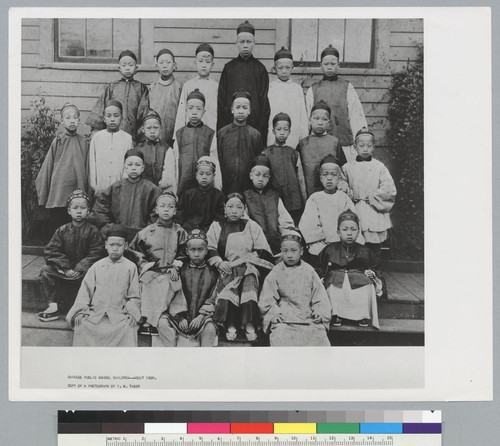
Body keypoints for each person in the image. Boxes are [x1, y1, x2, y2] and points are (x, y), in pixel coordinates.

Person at [206, 193, 273, 342]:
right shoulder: (217, 225)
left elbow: (263, 249)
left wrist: (249, 259)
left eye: (238, 207)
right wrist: (219, 262)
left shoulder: (252, 226)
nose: (234, 210)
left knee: (249, 280)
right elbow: (210, 247)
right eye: (230, 206)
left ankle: (249, 323)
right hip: (226, 267)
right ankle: (230, 323)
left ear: (245, 209)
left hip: (249, 266)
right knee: (229, 282)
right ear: (225, 208)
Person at [66, 223, 142, 347]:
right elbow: (85, 292)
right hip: (96, 314)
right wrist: (80, 311)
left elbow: (134, 295)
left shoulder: (130, 267)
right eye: (111, 244)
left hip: (119, 315)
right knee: (82, 326)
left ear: (126, 246)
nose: (115, 248)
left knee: (128, 328)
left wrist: (132, 313)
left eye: (119, 245)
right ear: (106, 245)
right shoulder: (97, 266)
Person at [37, 189, 105, 322]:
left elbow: (97, 252)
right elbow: (52, 251)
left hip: (85, 272)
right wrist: (66, 268)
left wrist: (80, 267)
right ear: (69, 211)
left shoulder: (93, 231)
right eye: (75, 208)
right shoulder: (62, 231)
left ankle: (87, 307)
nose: (79, 211)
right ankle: (53, 306)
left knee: (99, 273)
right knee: (46, 271)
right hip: (66, 271)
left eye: (83, 208)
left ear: (88, 211)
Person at [128, 191, 188, 338]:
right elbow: (134, 251)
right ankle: (148, 321)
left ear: (175, 211)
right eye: (162, 206)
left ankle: (151, 322)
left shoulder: (179, 231)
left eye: (170, 207)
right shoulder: (146, 232)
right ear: (156, 210)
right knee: (147, 283)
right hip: (152, 270)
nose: (166, 209)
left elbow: (184, 251)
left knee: (165, 282)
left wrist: (176, 266)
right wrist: (145, 264)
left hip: (170, 271)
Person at [259, 230, 332, 346]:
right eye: (285, 251)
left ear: (301, 251)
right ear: (281, 252)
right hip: (285, 318)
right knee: (280, 334)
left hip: (308, 318)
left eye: (294, 250)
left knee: (318, 336)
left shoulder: (309, 271)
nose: (289, 255)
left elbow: (320, 297)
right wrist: (273, 314)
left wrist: (319, 313)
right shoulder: (276, 272)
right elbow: (267, 298)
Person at [343, 128, 397, 267]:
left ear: (374, 147)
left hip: (374, 211)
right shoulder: (348, 167)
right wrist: (349, 193)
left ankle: (375, 274)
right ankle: (357, 273)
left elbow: (389, 188)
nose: (365, 149)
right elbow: (341, 184)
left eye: (369, 146)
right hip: (355, 210)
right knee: (355, 243)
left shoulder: (379, 167)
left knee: (373, 247)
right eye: (361, 146)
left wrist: (372, 197)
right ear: (355, 147)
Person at [156, 229, 219, 347]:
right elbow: (175, 296)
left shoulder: (213, 273)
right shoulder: (180, 271)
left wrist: (201, 316)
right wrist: (180, 318)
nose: (196, 254)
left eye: (200, 250)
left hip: (202, 318)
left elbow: (214, 297)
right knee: (162, 323)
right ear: (187, 251)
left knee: (210, 328)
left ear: (206, 251)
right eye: (192, 250)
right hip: (182, 316)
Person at [319, 210, 382, 329]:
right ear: (338, 232)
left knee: (367, 283)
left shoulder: (365, 250)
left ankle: (363, 315)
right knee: (333, 283)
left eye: (353, 229)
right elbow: (319, 266)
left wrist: (371, 272)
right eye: (345, 229)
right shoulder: (330, 249)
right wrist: (323, 276)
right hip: (336, 278)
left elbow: (375, 267)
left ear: (358, 232)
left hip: (358, 279)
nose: (349, 233)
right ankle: (335, 314)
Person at [305, 45, 368, 162]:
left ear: (338, 65)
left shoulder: (347, 87)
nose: (329, 67)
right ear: (321, 66)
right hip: (320, 143)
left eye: (333, 64)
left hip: (344, 143)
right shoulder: (313, 89)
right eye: (326, 64)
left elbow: (356, 116)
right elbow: (307, 118)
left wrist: (360, 141)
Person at [35, 103, 90, 232]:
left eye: (75, 118)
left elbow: (88, 167)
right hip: (59, 192)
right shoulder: (58, 141)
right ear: (62, 120)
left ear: (79, 120)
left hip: (78, 189)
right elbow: (47, 168)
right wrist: (44, 195)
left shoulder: (84, 142)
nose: (72, 120)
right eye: (68, 118)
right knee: (59, 228)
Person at [89, 148, 162, 241]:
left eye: (138, 165)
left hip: (142, 237)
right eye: (130, 164)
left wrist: (146, 232)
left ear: (143, 167)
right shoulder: (115, 187)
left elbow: (157, 213)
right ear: (125, 167)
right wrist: (111, 228)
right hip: (117, 236)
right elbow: (99, 210)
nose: (134, 168)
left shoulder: (152, 189)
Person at [217, 20, 270, 141]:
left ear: (254, 43)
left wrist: (259, 132)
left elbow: (263, 104)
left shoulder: (260, 69)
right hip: (230, 128)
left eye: (248, 42)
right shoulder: (229, 68)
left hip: (254, 129)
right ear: (236, 43)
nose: (245, 45)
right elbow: (221, 102)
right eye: (242, 42)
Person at [299, 155, 361, 257]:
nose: (329, 178)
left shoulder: (344, 198)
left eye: (333, 175)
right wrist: (322, 244)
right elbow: (309, 225)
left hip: (343, 245)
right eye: (325, 174)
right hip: (322, 246)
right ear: (321, 178)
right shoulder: (314, 198)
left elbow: (353, 221)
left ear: (339, 178)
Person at [86, 50, 149, 142]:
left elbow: (144, 113)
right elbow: (101, 109)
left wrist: (140, 135)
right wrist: (96, 130)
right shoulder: (112, 87)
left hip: (133, 135)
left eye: (130, 65)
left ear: (136, 68)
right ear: (119, 68)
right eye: (124, 65)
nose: (127, 68)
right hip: (112, 133)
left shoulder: (141, 88)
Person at [172, 89, 221, 197]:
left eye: (198, 109)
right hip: (184, 182)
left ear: (204, 112)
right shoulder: (180, 133)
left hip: (203, 182)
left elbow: (214, 159)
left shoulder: (209, 133)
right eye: (190, 108)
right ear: (185, 110)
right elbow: (176, 160)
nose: (194, 112)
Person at [244, 155, 295, 256]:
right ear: (251, 175)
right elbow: (244, 223)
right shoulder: (245, 197)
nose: (260, 179)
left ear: (269, 178)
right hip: (255, 245)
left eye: (265, 176)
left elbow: (286, 223)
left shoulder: (274, 197)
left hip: (276, 245)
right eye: (257, 175)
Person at [262, 112, 306, 225]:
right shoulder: (266, 153)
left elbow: (300, 177)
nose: (282, 132)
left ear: (289, 132)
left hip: (293, 197)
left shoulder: (294, 153)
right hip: (275, 196)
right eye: (279, 129)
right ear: (273, 131)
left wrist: (303, 199)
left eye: (285, 129)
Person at [297, 100, 347, 198]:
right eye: (316, 118)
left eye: (324, 119)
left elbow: (342, 170)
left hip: (331, 194)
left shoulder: (334, 142)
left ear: (329, 122)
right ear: (310, 120)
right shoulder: (302, 144)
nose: (320, 123)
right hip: (309, 194)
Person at [217, 90, 262, 195]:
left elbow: (258, 162)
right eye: (237, 107)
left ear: (250, 110)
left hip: (247, 185)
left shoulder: (255, 135)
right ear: (232, 109)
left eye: (245, 108)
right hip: (226, 183)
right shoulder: (222, 133)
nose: (241, 111)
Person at [266, 47, 308, 148]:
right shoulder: (270, 88)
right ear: (275, 68)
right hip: (274, 134)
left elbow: (302, 116)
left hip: (293, 134)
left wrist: (304, 137)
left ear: (292, 68)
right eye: (280, 68)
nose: (284, 71)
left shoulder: (297, 89)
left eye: (287, 67)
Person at [88, 99, 133, 194]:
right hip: (100, 187)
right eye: (108, 116)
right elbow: (92, 163)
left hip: (120, 187)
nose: (112, 119)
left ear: (122, 117)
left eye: (116, 116)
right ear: (104, 118)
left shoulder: (127, 138)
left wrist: (124, 184)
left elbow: (129, 163)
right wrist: (94, 186)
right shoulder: (97, 137)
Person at [174, 43, 218, 135]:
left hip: (210, 132)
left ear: (212, 64)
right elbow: (182, 112)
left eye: (207, 62)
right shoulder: (188, 85)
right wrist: (177, 136)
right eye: (200, 61)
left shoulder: (216, 86)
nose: (204, 65)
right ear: (195, 63)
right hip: (190, 133)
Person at [175, 156, 225, 233]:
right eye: (201, 174)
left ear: (213, 176)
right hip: (188, 231)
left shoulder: (218, 196)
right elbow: (180, 215)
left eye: (208, 174)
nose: (204, 177)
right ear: (196, 175)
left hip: (209, 232)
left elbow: (219, 218)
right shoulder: (188, 194)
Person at [149, 48, 183, 147]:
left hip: (173, 136)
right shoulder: (152, 88)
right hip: (154, 136)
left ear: (174, 65)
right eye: (161, 62)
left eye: (168, 62)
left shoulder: (179, 87)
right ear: (157, 66)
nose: (165, 65)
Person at [134, 109, 176, 189]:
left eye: (156, 128)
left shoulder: (167, 150)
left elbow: (168, 176)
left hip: (160, 190)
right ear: (143, 129)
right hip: (142, 190)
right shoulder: (138, 149)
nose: (152, 131)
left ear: (161, 129)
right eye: (149, 128)